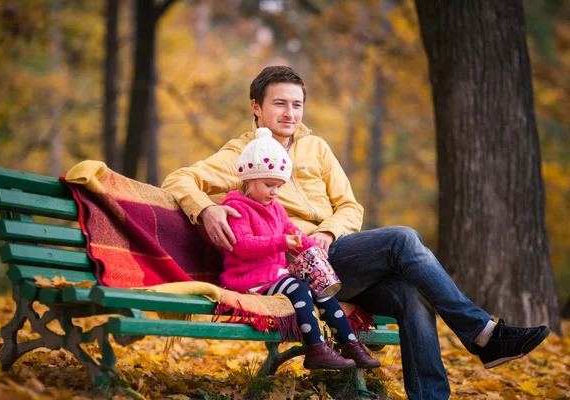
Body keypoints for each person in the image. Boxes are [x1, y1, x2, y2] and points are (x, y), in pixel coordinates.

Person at [162, 65, 550, 399]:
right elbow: (179, 179)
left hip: (338, 253)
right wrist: (207, 208)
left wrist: (329, 233)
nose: (290, 113)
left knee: (412, 295)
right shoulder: (240, 156)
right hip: (298, 266)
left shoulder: (316, 147)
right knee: (401, 238)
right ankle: (483, 334)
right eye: (280, 103)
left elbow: (351, 206)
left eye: (297, 104)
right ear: (256, 107)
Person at [218, 126, 381, 370]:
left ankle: (349, 343)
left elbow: (294, 233)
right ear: (249, 179)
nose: (275, 192)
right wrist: (282, 243)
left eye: (279, 186)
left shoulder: (276, 208)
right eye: (269, 184)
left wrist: (313, 248)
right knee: (299, 287)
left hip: (272, 275)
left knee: (321, 288)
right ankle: (316, 348)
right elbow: (242, 246)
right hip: (246, 278)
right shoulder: (237, 208)